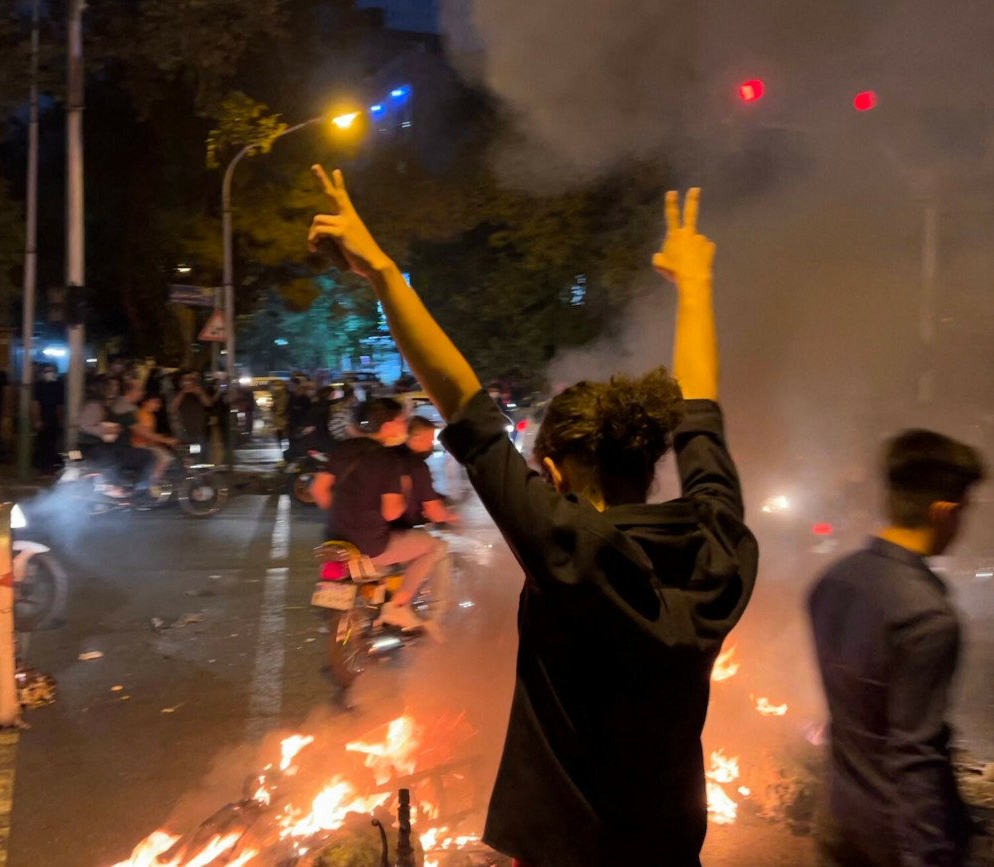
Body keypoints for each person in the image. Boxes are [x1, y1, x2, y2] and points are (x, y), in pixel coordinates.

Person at [308, 171, 757, 865]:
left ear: (553, 473)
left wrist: (384, 272)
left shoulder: (567, 547)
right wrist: (696, 286)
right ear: (651, 457)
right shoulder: (718, 545)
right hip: (671, 850)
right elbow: (703, 415)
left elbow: (463, 403)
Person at [808, 430, 986, 867]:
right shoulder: (927, 616)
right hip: (891, 842)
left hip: (837, 819)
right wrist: (929, 854)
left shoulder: (832, 582)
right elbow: (914, 757)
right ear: (944, 511)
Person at [311, 397, 446, 631]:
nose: (405, 425)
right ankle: (399, 606)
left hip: (335, 538)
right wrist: (404, 492)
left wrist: (345, 512)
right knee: (433, 546)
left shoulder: (344, 448)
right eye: (402, 420)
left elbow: (318, 490)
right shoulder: (388, 459)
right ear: (387, 427)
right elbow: (392, 513)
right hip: (370, 544)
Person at [392, 415, 458, 529]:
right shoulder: (417, 466)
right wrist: (454, 518)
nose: (431, 445)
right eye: (430, 440)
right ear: (418, 438)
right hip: (397, 530)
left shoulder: (389, 455)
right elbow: (435, 514)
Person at [131, 393, 178, 487]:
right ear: (145, 402)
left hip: (146, 444)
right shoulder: (144, 415)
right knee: (166, 458)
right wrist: (166, 440)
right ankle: (151, 484)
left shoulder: (148, 415)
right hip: (141, 445)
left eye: (159, 403)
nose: (158, 405)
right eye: (155, 402)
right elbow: (147, 435)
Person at [172, 370, 214, 463]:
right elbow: (172, 408)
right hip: (185, 430)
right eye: (185, 380)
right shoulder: (178, 392)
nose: (188, 382)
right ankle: (191, 472)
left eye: (190, 379)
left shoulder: (200, 390)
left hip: (199, 430)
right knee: (189, 455)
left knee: (199, 454)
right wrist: (183, 392)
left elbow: (208, 403)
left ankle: (199, 472)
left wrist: (199, 392)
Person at [32, 363, 65, 475]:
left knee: (52, 443)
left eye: (51, 371)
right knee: (42, 443)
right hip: (43, 417)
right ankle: (43, 467)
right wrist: (37, 419)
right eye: (46, 371)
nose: (49, 373)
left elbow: (60, 405)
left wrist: (60, 419)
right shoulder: (39, 385)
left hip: (53, 418)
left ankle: (49, 466)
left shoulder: (59, 386)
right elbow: (36, 403)